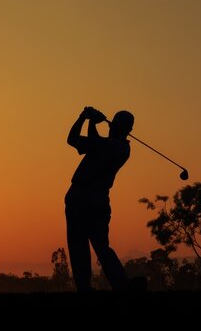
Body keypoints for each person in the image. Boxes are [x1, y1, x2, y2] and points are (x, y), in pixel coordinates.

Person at [65, 106, 134, 292]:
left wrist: (92, 122)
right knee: (78, 244)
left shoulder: (121, 149)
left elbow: (95, 142)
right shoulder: (106, 144)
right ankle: (85, 288)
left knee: (100, 246)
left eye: (117, 124)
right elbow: (71, 139)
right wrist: (82, 117)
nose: (112, 127)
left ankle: (122, 286)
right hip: (80, 196)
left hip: (94, 198)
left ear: (126, 129)